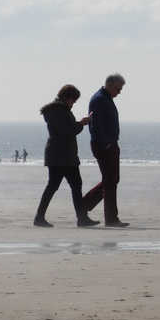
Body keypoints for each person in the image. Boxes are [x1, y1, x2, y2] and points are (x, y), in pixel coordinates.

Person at [33, 84, 100, 228]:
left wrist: (79, 124)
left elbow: (64, 128)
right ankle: (41, 217)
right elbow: (64, 131)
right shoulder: (58, 110)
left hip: (63, 155)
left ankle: (81, 218)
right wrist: (80, 124)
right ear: (65, 97)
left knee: (71, 185)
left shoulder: (59, 110)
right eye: (73, 99)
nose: (73, 102)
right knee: (59, 185)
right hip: (61, 155)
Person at [83, 73, 129, 228]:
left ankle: (84, 204)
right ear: (110, 85)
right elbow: (95, 126)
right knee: (110, 181)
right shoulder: (98, 100)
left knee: (112, 180)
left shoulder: (106, 98)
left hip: (109, 144)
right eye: (118, 89)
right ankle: (111, 219)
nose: (119, 92)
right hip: (104, 145)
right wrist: (107, 145)